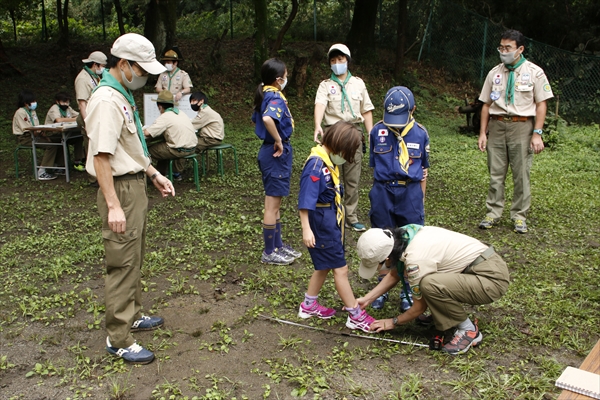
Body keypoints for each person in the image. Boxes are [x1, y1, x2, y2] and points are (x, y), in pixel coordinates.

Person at [85, 33, 174, 365]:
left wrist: (153, 174)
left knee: (133, 254)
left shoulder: (121, 94)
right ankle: (119, 338)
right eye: (142, 70)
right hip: (119, 188)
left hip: (134, 184)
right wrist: (112, 205)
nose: (145, 77)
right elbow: (102, 158)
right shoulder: (106, 100)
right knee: (122, 262)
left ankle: (133, 313)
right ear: (123, 64)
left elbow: (130, 146)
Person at [356, 226, 510, 354]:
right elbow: (395, 273)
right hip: (480, 267)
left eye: (377, 264)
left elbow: (419, 307)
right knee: (430, 283)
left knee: (430, 284)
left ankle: (469, 330)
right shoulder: (405, 235)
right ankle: (443, 312)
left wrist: (393, 322)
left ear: (388, 258)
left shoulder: (416, 258)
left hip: (490, 279)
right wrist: (367, 299)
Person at [297, 121, 375, 333]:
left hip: (330, 220)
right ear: (340, 145)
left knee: (323, 265)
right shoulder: (315, 165)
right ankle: (355, 315)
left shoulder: (326, 161)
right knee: (341, 269)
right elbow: (305, 200)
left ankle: (308, 305)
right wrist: (306, 229)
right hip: (321, 224)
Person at [478, 29, 554, 234]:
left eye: (508, 48)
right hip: (497, 124)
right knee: (496, 173)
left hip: (522, 127)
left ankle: (519, 216)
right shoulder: (494, 73)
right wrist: (483, 133)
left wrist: (537, 133)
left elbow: (541, 104)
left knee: (521, 174)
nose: (503, 51)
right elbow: (485, 104)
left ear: (520, 49)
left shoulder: (535, 73)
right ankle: (493, 213)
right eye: (501, 47)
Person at [367, 86, 430, 311]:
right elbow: (374, 165)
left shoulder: (421, 133)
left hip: (409, 192)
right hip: (383, 191)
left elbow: (424, 170)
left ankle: (408, 291)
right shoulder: (376, 131)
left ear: (412, 110)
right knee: (381, 241)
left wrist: (419, 199)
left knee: (411, 242)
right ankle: (380, 289)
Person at [314, 43, 374, 232]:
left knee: (352, 177)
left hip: (353, 133)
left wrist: (370, 133)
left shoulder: (358, 83)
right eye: (333, 60)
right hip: (332, 133)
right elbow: (320, 104)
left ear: (347, 61)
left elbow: (366, 110)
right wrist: (317, 124)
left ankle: (351, 216)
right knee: (329, 176)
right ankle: (330, 214)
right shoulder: (326, 85)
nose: (337, 63)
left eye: (340, 59)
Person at [252, 58, 301, 265]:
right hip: (275, 153)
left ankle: (278, 245)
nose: (287, 79)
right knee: (272, 206)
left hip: (268, 151)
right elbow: (266, 119)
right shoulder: (275, 98)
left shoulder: (265, 93)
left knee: (275, 203)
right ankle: (269, 251)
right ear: (278, 79)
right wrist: (279, 140)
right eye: (286, 75)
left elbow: (256, 119)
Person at [144, 90, 197, 176]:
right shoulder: (181, 113)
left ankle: (150, 175)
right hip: (192, 148)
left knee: (148, 150)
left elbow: (147, 133)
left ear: (159, 106)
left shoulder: (165, 116)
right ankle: (162, 173)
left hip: (179, 150)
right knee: (162, 146)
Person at [75, 50, 107, 185]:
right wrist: (88, 123)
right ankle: (93, 178)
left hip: (96, 116)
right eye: (102, 66)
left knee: (97, 146)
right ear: (95, 65)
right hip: (88, 117)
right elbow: (82, 103)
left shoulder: (93, 76)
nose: (103, 69)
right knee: (91, 146)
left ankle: (100, 174)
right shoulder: (83, 79)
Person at [12, 90, 58, 181]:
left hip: (35, 135)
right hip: (25, 138)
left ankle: (55, 166)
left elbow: (36, 127)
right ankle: (42, 172)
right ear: (25, 103)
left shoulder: (32, 111)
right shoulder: (20, 112)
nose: (34, 103)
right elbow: (28, 129)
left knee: (56, 141)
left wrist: (43, 134)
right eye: (32, 101)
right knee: (50, 146)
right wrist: (41, 133)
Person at [45, 92, 85, 171]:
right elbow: (58, 120)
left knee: (79, 137)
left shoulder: (68, 108)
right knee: (60, 141)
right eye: (64, 102)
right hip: (53, 134)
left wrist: (75, 118)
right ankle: (59, 165)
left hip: (65, 132)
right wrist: (75, 119)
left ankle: (78, 161)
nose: (66, 104)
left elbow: (79, 115)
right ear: (57, 101)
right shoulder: (54, 108)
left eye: (67, 102)